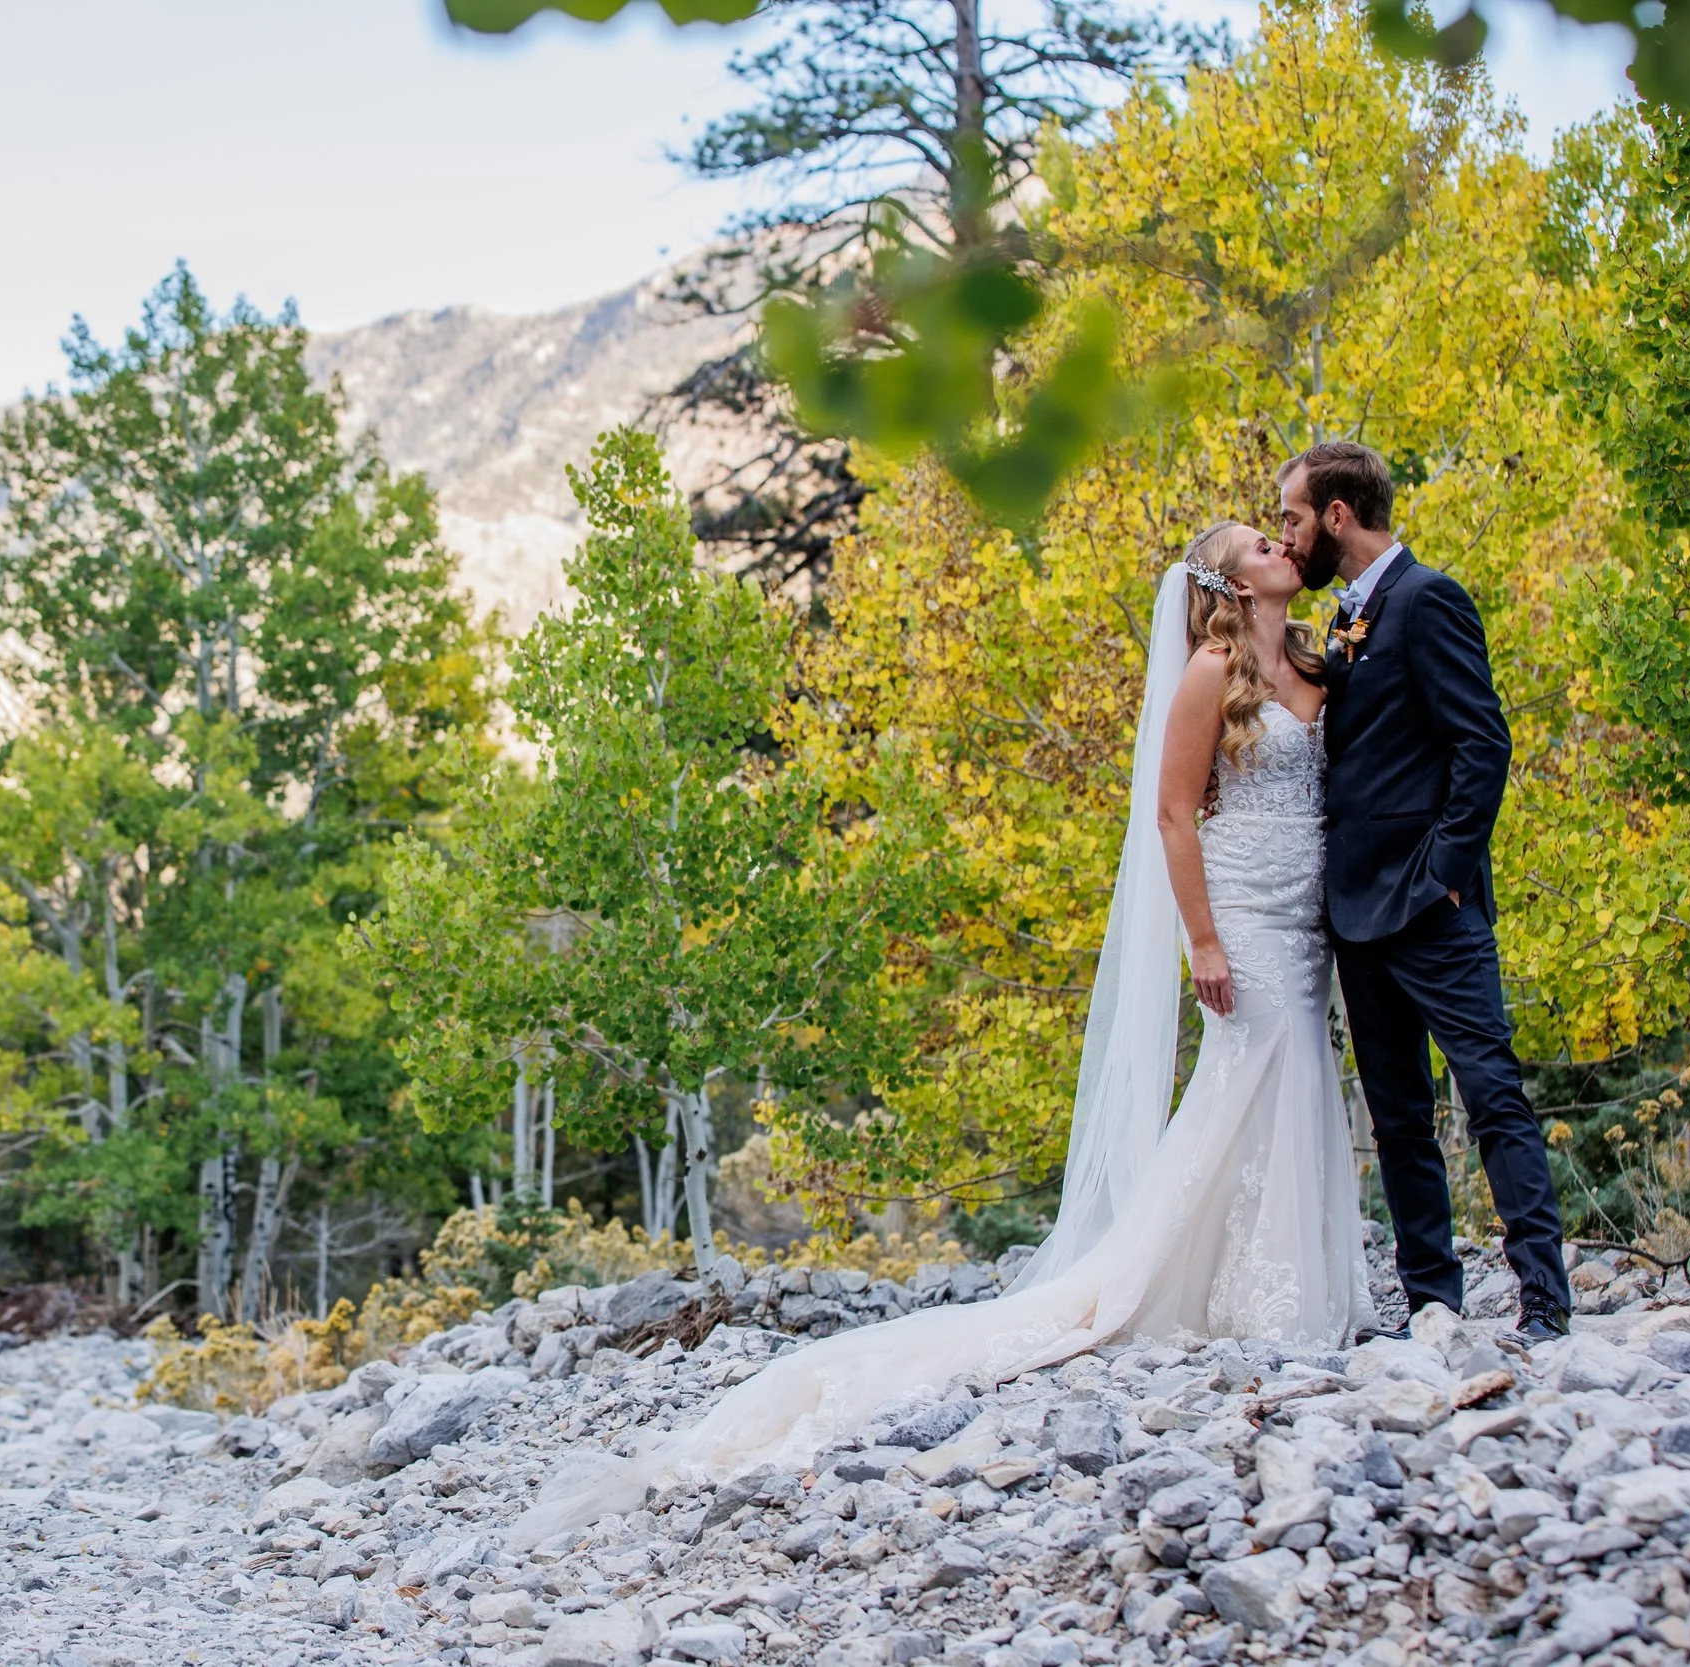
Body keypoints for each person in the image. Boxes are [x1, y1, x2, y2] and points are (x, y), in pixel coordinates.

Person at [513, 520, 1375, 1545]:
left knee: (1295, 1075)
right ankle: (1228, 1292)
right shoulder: (1208, 673)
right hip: (1237, 909)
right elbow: (1174, 814)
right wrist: (1200, 940)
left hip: (1305, 909)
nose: (1283, 546)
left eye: (1280, 536)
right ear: (1228, 581)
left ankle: (1279, 1275)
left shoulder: (1319, 660)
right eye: (1259, 542)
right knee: (1246, 1075)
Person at [1279, 441, 1569, 1344]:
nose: (1286, 535)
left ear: (1336, 515)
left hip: (1430, 909)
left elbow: (1483, 746)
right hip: (1357, 917)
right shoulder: (1342, 623)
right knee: (1400, 1119)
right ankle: (1433, 1301)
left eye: (1293, 516)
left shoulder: (1428, 598)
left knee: (1491, 1095)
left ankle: (1546, 1305)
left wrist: (1442, 875)